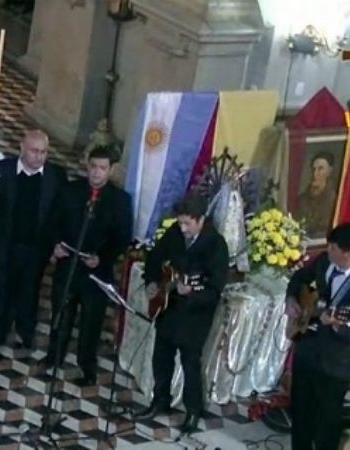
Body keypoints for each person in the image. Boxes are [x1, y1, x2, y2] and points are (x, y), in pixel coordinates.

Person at [133, 193, 229, 433]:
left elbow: (215, 288)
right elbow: (155, 257)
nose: (183, 228)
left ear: (201, 219)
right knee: (161, 358)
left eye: (188, 223)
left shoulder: (216, 244)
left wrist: (192, 294)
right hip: (169, 307)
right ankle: (160, 400)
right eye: (180, 222)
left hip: (195, 317)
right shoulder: (175, 233)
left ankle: (193, 411)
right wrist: (152, 282)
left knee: (190, 365)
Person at [41, 145, 132, 385]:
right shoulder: (71, 190)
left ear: (111, 170)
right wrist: (55, 244)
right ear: (87, 166)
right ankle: (54, 356)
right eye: (93, 167)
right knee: (61, 312)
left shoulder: (120, 200)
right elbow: (53, 220)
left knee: (91, 321)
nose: (96, 173)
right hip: (68, 263)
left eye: (102, 168)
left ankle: (86, 367)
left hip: (96, 271)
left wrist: (102, 257)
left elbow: (122, 237)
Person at [0, 130, 67, 356]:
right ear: (22, 148)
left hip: (36, 247)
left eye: (44, 152)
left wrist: (56, 244)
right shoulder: (3, 170)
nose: (39, 156)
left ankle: (25, 332)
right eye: (34, 151)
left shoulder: (56, 176)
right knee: (1, 291)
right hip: (6, 244)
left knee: (30, 291)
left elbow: (59, 215)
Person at [284, 223, 350, 450]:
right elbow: (298, 279)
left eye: (332, 248)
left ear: (347, 253)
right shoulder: (324, 261)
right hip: (307, 348)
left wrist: (337, 327)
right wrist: (292, 300)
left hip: (336, 364)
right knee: (300, 411)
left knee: (327, 422)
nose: (327, 250)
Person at [296, 152, 337, 238]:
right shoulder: (302, 199)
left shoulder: (334, 200)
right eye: (313, 169)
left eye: (320, 169)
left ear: (329, 171)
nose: (315, 173)